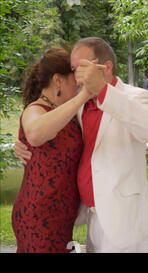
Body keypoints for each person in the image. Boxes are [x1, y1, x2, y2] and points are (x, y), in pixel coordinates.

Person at [14, 37, 148, 253]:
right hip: (87, 215)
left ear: (106, 67)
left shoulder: (137, 97)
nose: (77, 76)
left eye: (80, 68)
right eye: (73, 70)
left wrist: (101, 89)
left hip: (123, 216)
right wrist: (22, 143)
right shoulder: (80, 105)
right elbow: (44, 132)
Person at [11, 47, 91, 252]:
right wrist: (83, 97)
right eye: (74, 79)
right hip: (38, 214)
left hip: (62, 216)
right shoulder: (35, 109)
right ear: (58, 80)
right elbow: (36, 134)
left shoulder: (69, 112)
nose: (79, 85)